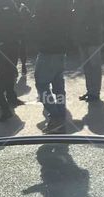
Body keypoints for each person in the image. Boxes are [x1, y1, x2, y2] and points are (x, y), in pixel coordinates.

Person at [32, 0, 71, 133]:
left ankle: (55, 116)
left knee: (42, 85)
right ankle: (60, 113)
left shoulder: (44, 4)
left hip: (48, 48)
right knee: (58, 85)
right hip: (61, 47)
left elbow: (38, 23)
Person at [0, 0, 22, 109]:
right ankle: (0, 99)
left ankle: (11, 96)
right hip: (1, 43)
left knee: (11, 69)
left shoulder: (11, 3)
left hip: (13, 41)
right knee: (2, 72)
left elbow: (18, 19)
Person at [73, 0, 104, 102]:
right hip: (82, 36)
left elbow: (100, 14)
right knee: (87, 66)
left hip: (92, 37)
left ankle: (95, 92)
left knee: (94, 66)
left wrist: (88, 25)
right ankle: (90, 90)